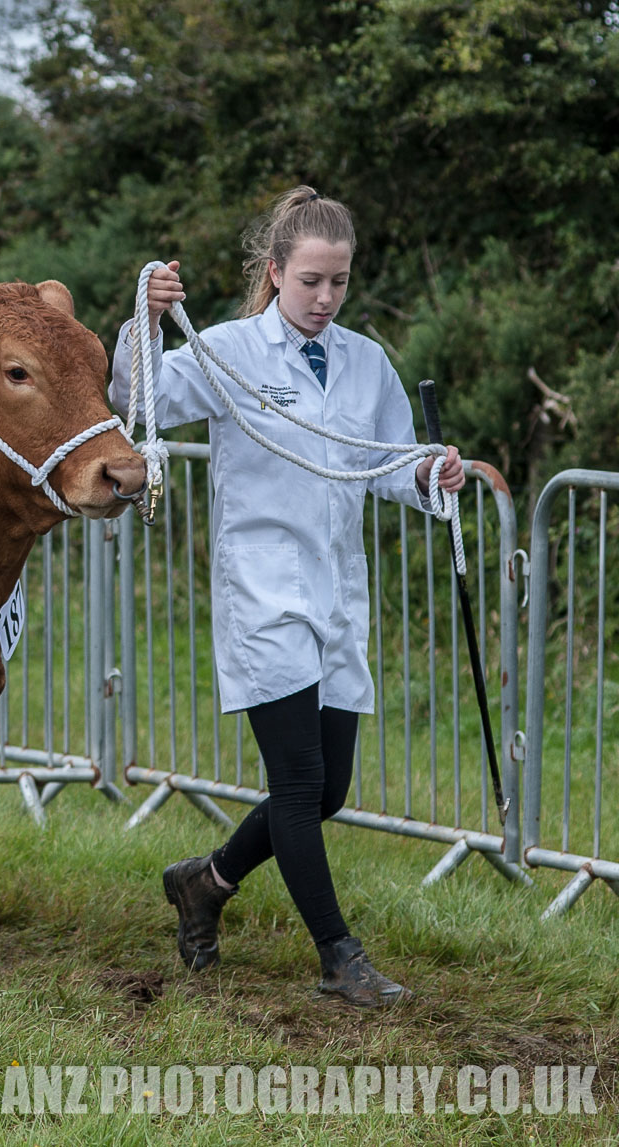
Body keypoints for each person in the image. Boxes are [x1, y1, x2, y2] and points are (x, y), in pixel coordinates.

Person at [110, 185, 464, 1009]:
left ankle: (206, 881)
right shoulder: (229, 349)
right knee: (301, 783)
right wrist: (148, 322)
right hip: (263, 592)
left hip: (337, 593)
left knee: (329, 788)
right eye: (310, 280)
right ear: (275, 272)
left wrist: (428, 472)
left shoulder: (366, 360)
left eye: (338, 281)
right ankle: (340, 956)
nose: (325, 298)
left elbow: (385, 462)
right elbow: (136, 400)